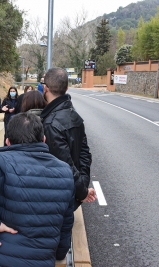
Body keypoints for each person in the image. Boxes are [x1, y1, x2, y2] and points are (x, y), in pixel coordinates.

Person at [0, 112, 75, 267]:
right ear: (43, 140)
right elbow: (66, 223)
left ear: (7, 142)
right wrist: (59, 253)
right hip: (41, 259)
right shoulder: (65, 171)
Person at [40, 67, 96, 210]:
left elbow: (64, 164)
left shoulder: (50, 124)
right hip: (70, 193)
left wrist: (82, 192)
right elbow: (85, 154)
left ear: (45, 88)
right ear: (67, 88)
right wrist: (83, 184)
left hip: (57, 196)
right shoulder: (74, 115)